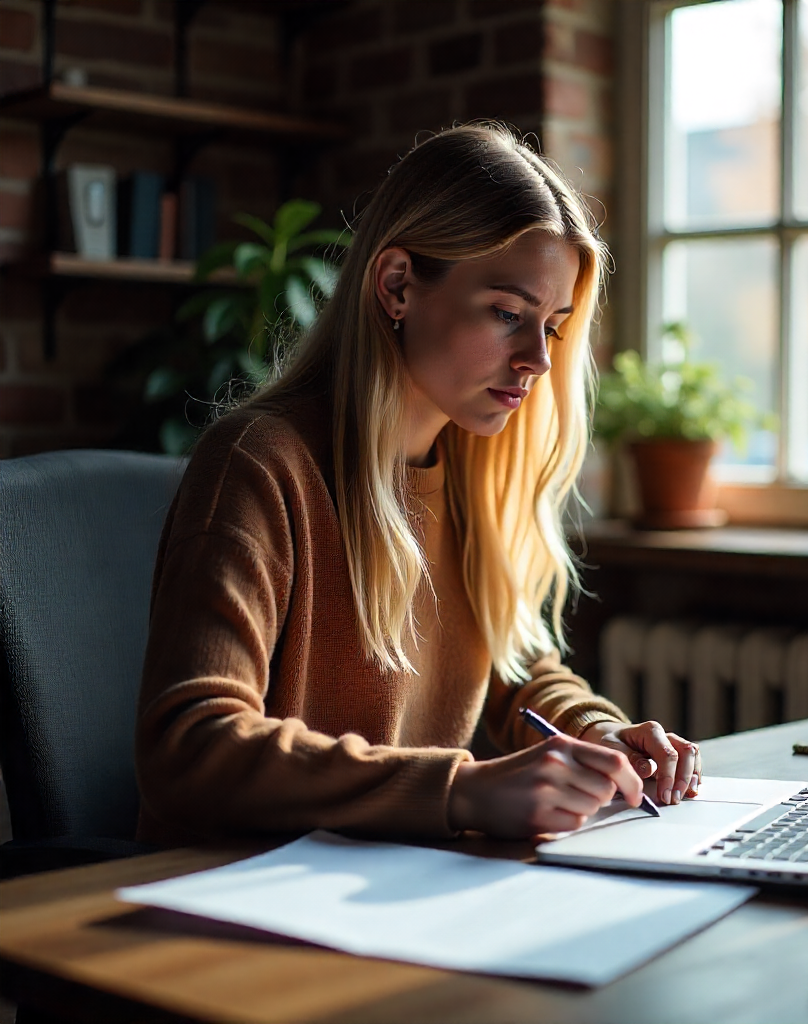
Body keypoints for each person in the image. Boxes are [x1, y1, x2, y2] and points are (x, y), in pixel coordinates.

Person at [135, 124, 702, 846]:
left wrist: (601, 733)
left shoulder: (471, 473)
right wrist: (459, 790)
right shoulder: (260, 464)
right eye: (507, 314)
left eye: (553, 328)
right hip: (227, 898)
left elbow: (514, 664)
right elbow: (190, 748)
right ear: (398, 284)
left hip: (382, 886)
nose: (536, 359)